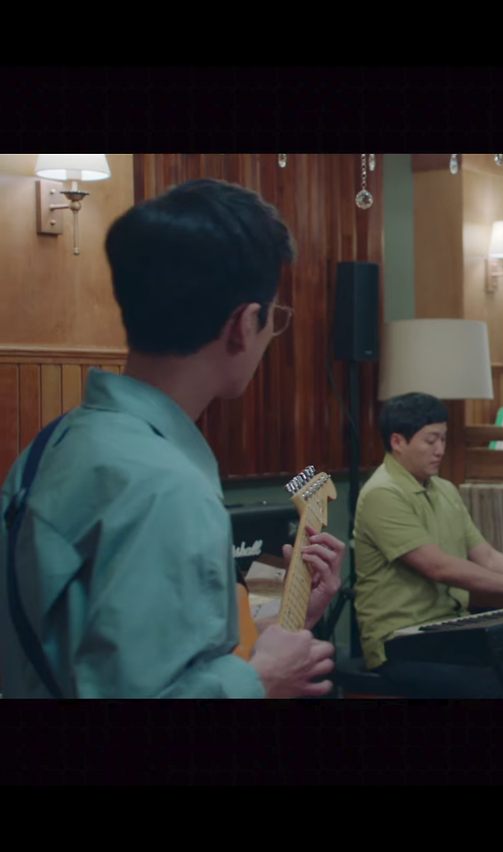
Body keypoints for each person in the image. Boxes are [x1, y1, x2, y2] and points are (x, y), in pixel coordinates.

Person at [0, 178, 343, 699]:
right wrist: (261, 681)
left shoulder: (54, 444)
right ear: (243, 324)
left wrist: (280, 625)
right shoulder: (165, 488)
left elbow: (100, 658)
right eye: (273, 317)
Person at [352, 392, 503, 698]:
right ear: (397, 442)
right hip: (400, 641)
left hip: (451, 630)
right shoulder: (382, 493)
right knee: (498, 691)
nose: (440, 450)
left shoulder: (445, 489)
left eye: (443, 439)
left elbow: (487, 557)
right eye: (430, 440)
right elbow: (440, 567)